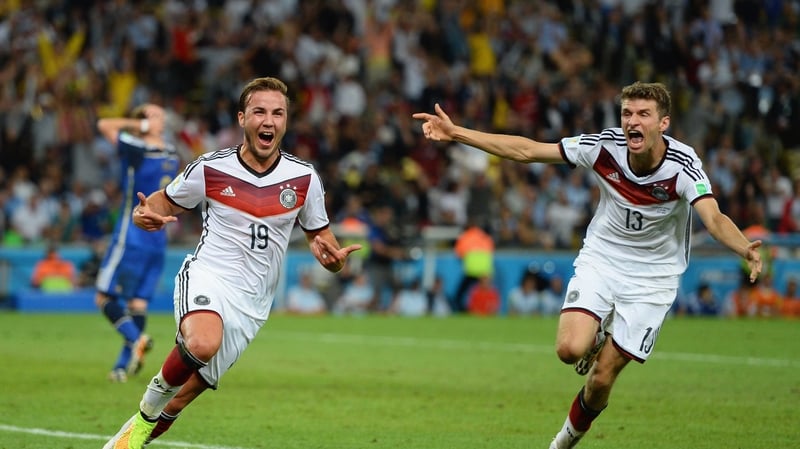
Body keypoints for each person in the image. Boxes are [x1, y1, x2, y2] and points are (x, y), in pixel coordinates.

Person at [413, 81, 763, 449]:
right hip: (604, 258)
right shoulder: (602, 147)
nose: (632, 121)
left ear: (663, 123)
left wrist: (744, 248)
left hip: (653, 278)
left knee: (600, 379)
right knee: (568, 349)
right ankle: (597, 333)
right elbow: (527, 150)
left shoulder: (683, 166)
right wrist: (457, 133)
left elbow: (713, 216)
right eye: (627, 113)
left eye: (643, 114)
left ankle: (562, 443)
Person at [103, 77, 361, 449]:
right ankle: (144, 417)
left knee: (179, 399)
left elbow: (322, 239)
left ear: (286, 122)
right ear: (242, 118)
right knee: (203, 343)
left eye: (277, 113)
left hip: (253, 304)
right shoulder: (211, 168)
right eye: (259, 111)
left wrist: (333, 261)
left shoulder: (304, 179)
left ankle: (120, 445)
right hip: (209, 275)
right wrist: (144, 213)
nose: (268, 121)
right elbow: (162, 201)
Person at [94, 103, 181, 383]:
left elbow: (104, 125)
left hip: (131, 233)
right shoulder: (172, 154)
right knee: (138, 303)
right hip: (159, 237)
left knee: (103, 297)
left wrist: (141, 126)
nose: (161, 117)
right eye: (155, 114)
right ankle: (121, 367)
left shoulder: (137, 148)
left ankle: (137, 338)